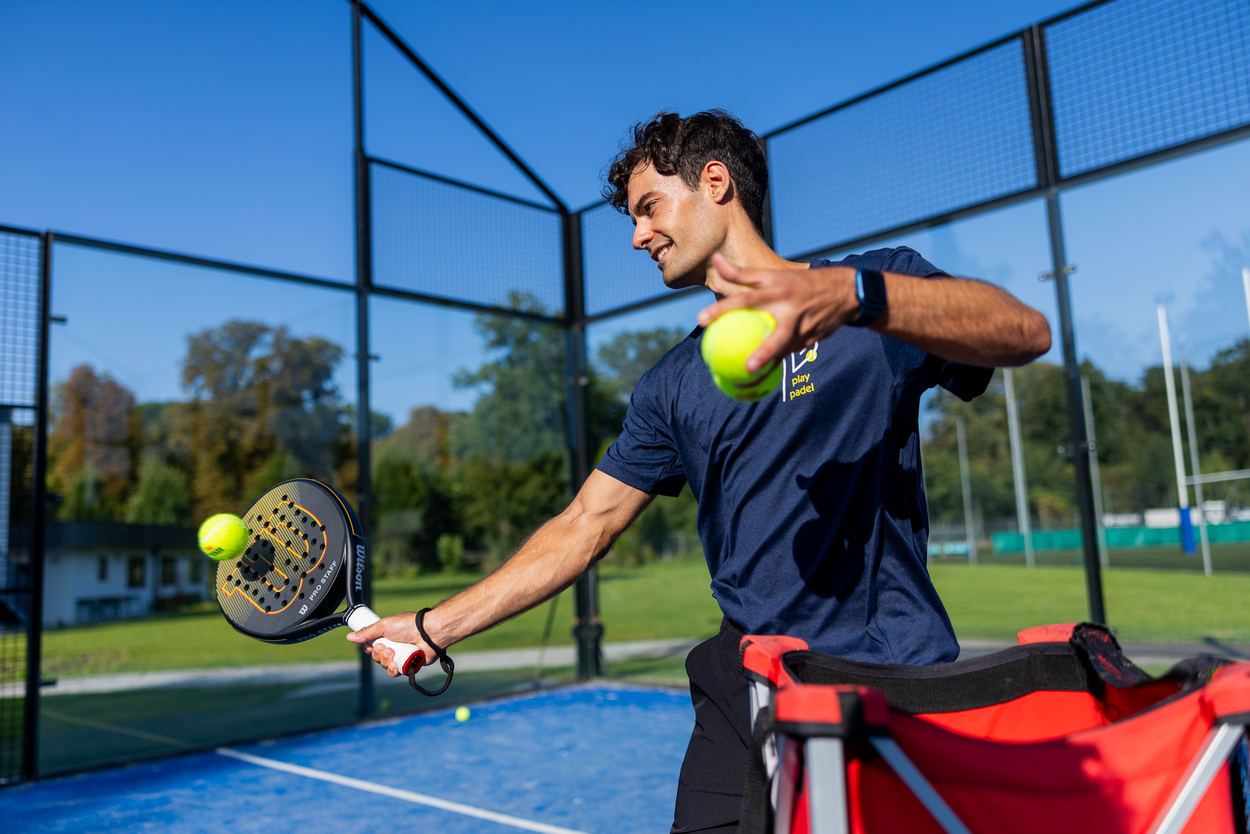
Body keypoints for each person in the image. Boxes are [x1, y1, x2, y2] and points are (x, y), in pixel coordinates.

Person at [348, 110, 1051, 832]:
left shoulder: (872, 295)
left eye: (649, 207)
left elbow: (1025, 331)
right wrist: (434, 626)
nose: (636, 235)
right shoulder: (670, 383)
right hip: (740, 691)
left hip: (881, 681)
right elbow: (587, 522)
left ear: (715, 182)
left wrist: (851, 296)